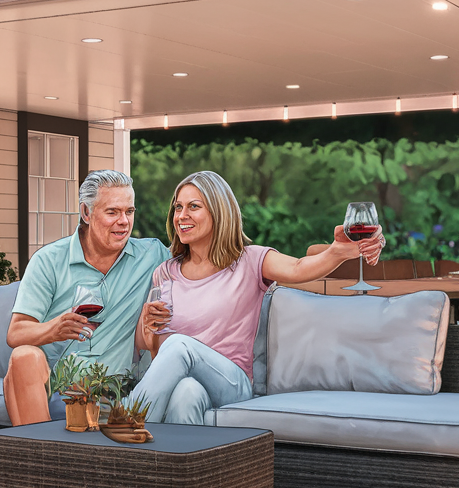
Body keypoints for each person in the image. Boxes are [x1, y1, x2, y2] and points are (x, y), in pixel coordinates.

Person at [128, 171, 383, 425]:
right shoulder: (166, 273)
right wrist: (148, 327)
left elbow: (298, 268)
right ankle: (181, 464)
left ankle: (127, 420)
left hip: (232, 382)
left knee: (179, 345)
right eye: (178, 207)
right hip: (192, 382)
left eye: (194, 206)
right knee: (186, 393)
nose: (182, 216)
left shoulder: (249, 260)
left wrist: (337, 252)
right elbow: (149, 346)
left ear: (219, 212)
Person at [4, 170, 170, 425]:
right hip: (58, 388)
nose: (124, 221)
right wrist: (54, 329)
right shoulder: (49, 261)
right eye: (113, 212)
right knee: (24, 356)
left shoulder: (152, 255)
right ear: (86, 213)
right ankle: (40, 453)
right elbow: (15, 333)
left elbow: (200, 262)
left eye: (129, 211)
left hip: (117, 388)